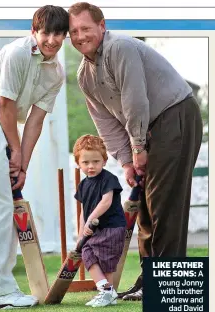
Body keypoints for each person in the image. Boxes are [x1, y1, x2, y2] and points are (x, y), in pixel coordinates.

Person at [68, 2, 203, 301]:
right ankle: (150, 280)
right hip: (146, 127)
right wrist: (127, 161)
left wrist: (138, 147)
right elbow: (105, 122)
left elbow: (135, 101)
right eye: (74, 31)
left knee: (163, 205)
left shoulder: (121, 48)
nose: (80, 36)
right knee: (144, 206)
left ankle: (166, 288)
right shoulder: (84, 74)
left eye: (86, 28)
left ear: (102, 26)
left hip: (174, 115)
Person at [0, 5, 69, 310]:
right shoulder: (17, 53)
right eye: (45, 33)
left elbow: (36, 121)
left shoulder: (57, 73)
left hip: (7, 127)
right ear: (33, 31)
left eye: (57, 34)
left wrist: (22, 164)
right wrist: (14, 150)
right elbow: (3, 106)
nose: (50, 40)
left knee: (5, 207)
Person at [73, 134, 126, 307]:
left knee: (106, 261)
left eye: (96, 161)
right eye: (85, 162)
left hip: (111, 227)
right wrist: (81, 233)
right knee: (86, 253)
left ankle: (107, 293)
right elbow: (83, 210)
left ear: (104, 160)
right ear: (78, 163)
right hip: (94, 229)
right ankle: (106, 290)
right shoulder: (83, 184)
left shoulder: (109, 179)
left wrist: (90, 219)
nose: (91, 166)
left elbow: (106, 201)